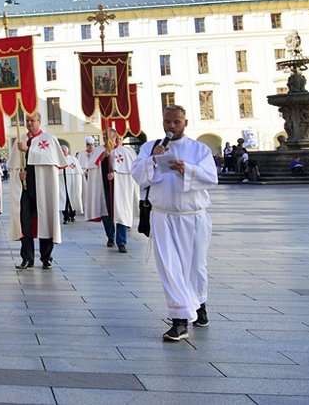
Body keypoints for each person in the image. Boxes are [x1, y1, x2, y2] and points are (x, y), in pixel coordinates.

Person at [131, 105, 217, 342]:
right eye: (167, 122)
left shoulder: (199, 149)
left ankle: (199, 304)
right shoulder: (150, 147)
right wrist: (153, 160)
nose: (171, 127)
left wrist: (186, 169)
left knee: (195, 266)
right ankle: (179, 319)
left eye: (176, 122)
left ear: (185, 123)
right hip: (163, 215)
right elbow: (137, 175)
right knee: (169, 266)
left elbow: (211, 177)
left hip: (194, 216)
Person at [9, 113, 63, 269]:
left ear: (39, 121)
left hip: (43, 189)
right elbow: (13, 166)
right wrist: (19, 174)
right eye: (27, 120)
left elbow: (51, 160)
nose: (29, 123)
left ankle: (46, 257)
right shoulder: (20, 140)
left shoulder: (49, 139)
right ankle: (27, 258)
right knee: (25, 224)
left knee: (45, 222)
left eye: (32, 120)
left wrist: (29, 149)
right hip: (25, 190)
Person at [90, 129, 139, 253]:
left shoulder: (125, 152)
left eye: (108, 136)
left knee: (121, 213)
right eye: (104, 136)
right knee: (107, 213)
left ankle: (121, 242)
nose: (105, 138)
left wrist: (116, 175)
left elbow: (130, 172)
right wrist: (103, 156)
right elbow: (92, 167)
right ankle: (110, 236)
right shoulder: (99, 150)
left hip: (121, 189)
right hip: (104, 187)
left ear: (115, 136)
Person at [78, 136, 102, 223]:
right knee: (85, 192)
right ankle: (86, 207)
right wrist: (84, 171)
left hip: (94, 176)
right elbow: (78, 166)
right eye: (89, 145)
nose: (90, 146)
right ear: (86, 145)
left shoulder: (96, 153)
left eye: (92, 144)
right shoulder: (81, 154)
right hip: (84, 175)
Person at [59, 144, 83, 224]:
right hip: (62, 182)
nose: (63, 153)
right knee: (63, 200)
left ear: (67, 151)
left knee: (72, 198)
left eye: (64, 151)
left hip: (72, 182)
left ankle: (72, 215)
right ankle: (65, 217)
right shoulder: (58, 159)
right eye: (62, 151)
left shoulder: (73, 159)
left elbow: (78, 171)